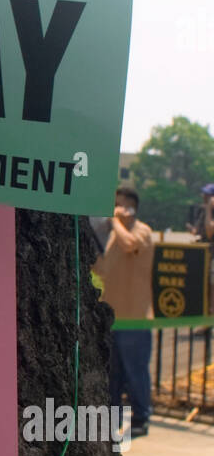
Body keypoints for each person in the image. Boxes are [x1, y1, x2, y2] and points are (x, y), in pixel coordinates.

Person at [94, 186, 155, 437]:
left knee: (135, 371)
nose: (117, 210)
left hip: (136, 318)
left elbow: (130, 245)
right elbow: (104, 269)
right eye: (114, 204)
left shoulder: (142, 231)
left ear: (132, 208)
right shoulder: (113, 237)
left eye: (121, 205)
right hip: (114, 317)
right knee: (113, 374)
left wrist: (114, 221)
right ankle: (113, 420)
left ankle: (141, 418)